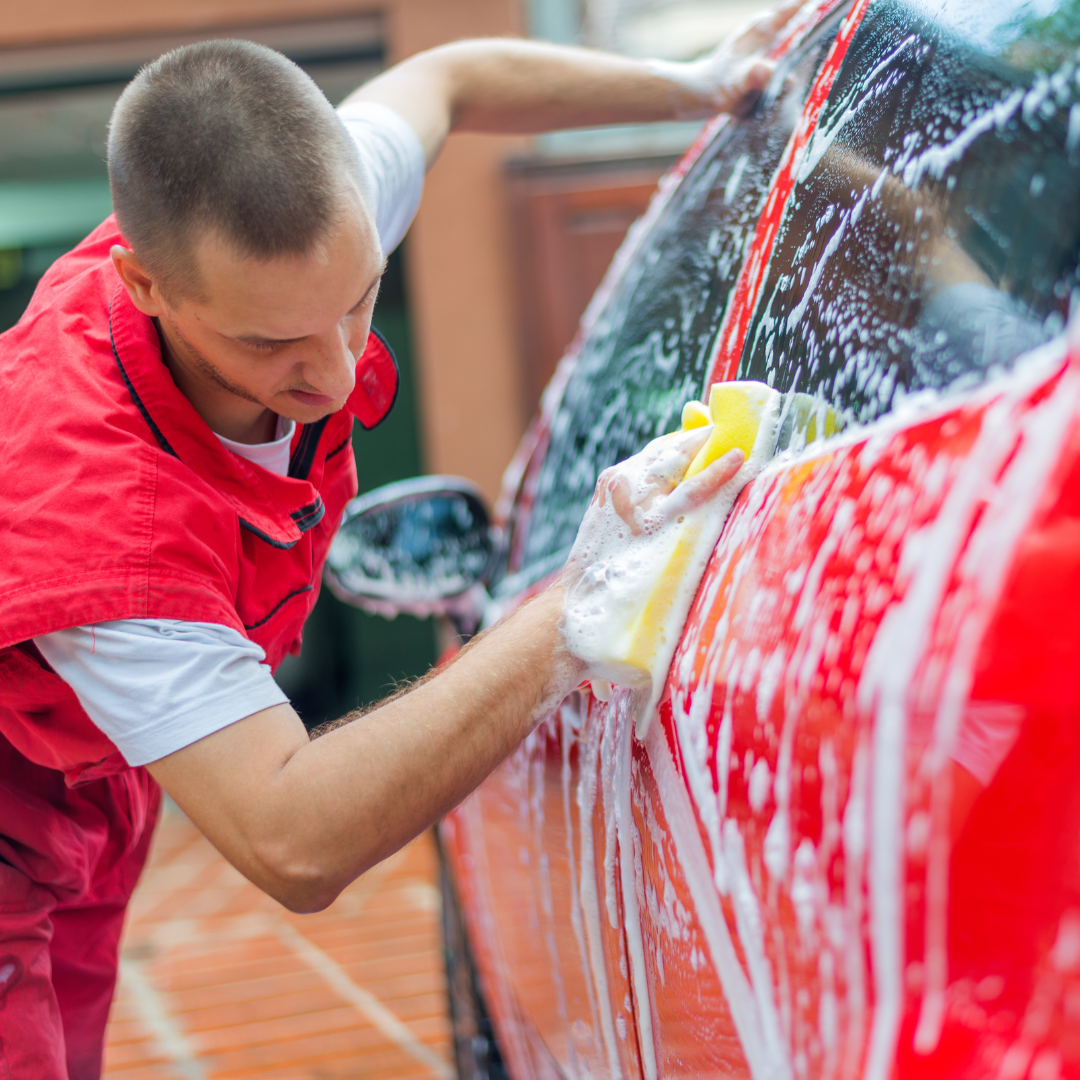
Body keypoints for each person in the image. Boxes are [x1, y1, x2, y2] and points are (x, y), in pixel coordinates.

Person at [0, 14, 794, 1078]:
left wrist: (693, 84)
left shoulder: (309, 223)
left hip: (80, 799)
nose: (332, 373)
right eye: (269, 343)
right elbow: (293, 837)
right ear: (147, 289)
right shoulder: (97, 522)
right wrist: (579, 603)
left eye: (360, 301)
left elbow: (451, 77)